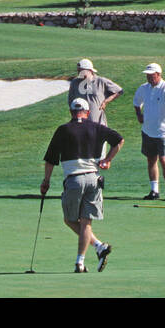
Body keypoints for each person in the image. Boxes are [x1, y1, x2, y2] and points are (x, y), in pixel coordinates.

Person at [40, 97, 124, 272]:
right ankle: (83, 260)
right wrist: (107, 160)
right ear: (87, 112)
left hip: (74, 179)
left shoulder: (63, 130)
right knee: (86, 222)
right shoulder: (96, 127)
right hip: (94, 179)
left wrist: (46, 181)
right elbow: (119, 140)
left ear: (71, 112)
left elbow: (50, 160)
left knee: (70, 220)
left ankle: (96, 249)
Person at [133, 63, 165, 201]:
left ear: (158, 74)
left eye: (151, 75)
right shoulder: (143, 88)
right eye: (147, 75)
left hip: (163, 132)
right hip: (147, 130)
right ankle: (154, 191)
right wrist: (139, 115)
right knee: (151, 160)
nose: (149, 78)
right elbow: (136, 102)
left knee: (164, 160)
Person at [66, 58, 123, 126]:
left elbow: (119, 91)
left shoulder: (100, 81)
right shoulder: (75, 82)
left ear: (90, 71)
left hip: (98, 123)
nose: (79, 74)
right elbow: (71, 101)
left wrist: (105, 101)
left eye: (81, 71)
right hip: (80, 124)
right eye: (78, 71)